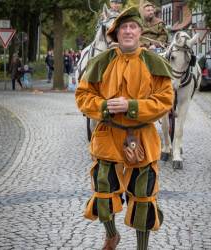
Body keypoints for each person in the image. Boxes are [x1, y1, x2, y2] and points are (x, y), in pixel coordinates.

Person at [75, 7, 173, 250]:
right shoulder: (101, 62)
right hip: (108, 137)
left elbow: (165, 100)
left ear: (140, 32)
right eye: (123, 28)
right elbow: (83, 96)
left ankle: (142, 247)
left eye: (133, 27)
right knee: (103, 191)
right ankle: (111, 234)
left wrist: (132, 106)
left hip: (143, 138)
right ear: (116, 33)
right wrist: (104, 106)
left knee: (143, 198)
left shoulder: (154, 62)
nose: (128, 31)